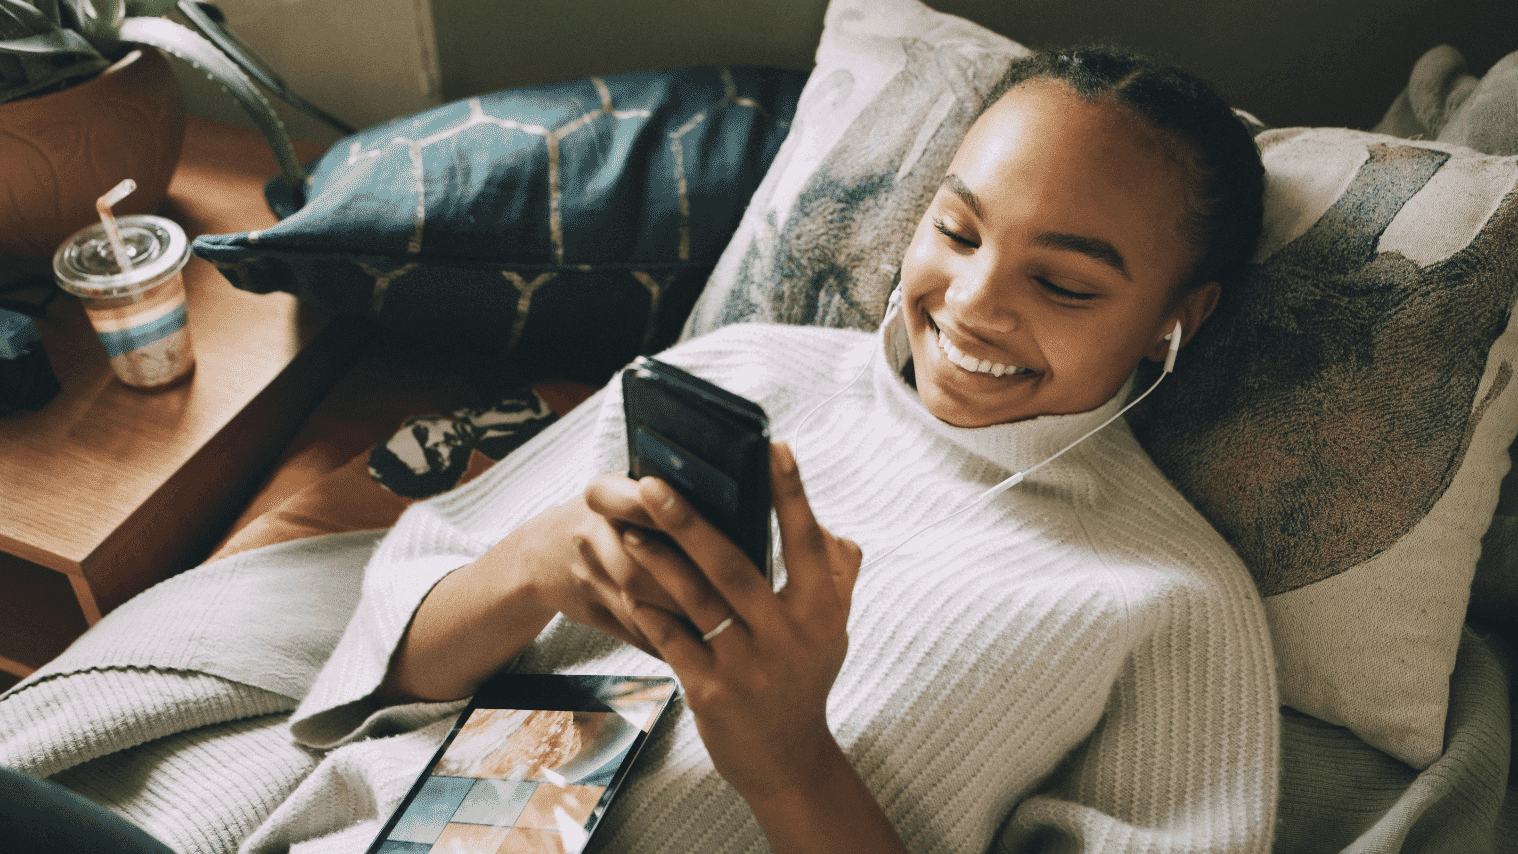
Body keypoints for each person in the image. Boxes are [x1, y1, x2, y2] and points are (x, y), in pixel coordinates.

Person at [249, 46, 1278, 854]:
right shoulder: (742, 371)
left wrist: (790, 764)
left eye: (1064, 284)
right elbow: (381, 680)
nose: (972, 303)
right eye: (958, 232)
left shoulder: (1171, 601)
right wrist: (533, 565)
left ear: (1173, 317)